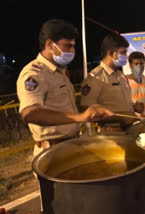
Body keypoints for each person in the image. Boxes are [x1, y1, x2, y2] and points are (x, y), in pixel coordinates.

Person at [16, 19, 112, 213]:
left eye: (73, 46)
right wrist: (79, 118)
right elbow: (30, 113)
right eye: (67, 45)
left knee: (77, 206)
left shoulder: (60, 73)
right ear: (50, 45)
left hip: (69, 147)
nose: (72, 50)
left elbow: (62, 108)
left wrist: (87, 115)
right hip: (51, 153)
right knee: (59, 207)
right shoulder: (34, 73)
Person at [80, 33, 143, 132]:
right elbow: (87, 111)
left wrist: (133, 107)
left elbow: (119, 103)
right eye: (123, 52)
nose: (126, 56)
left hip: (130, 128)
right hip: (111, 131)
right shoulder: (95, 78)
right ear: (111, 53)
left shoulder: (120, 75)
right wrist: (120, 117)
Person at [126, 51, 145, 116]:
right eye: (136, 64)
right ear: (131, 65)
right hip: (132, 121)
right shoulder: (125, 81)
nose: (139, 66)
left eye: (141, 63)